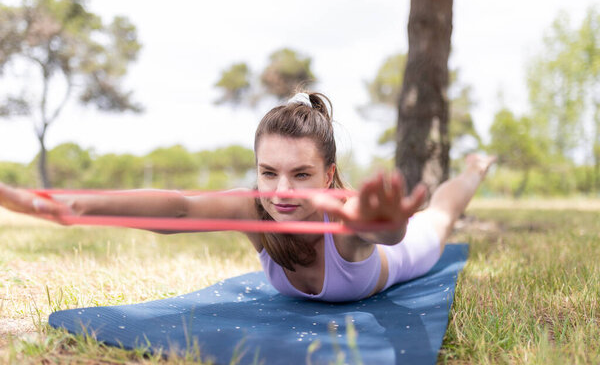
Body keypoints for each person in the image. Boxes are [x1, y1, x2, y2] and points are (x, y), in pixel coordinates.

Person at [0, 92, 495, 302]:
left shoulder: (345, 217)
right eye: (268, 172)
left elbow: (379, 232)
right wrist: (75, 208)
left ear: (330, 175)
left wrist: (384, 224)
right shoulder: (255, 209)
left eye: (301, 174)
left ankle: (475, 167)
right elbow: (181, 207)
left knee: (443, 213)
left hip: (410, 251)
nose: (280, 191)